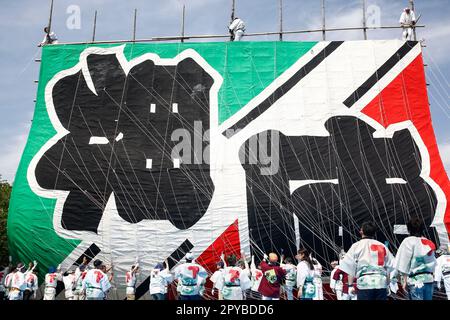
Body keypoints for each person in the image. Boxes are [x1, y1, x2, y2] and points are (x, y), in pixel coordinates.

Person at [339, 221, 395, 300]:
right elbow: (388, 267)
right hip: (381, 283)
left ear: (361, 231)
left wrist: (350, 285)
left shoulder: (356, 246)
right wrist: (388, 284)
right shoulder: (382, 246)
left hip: (365, 283)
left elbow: (350, 267)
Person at [395, 216, 436, 300]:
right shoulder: (429, 242)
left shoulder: (408, 241)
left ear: (409, 229)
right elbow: (433, 261)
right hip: (429, 279)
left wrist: (404, 280)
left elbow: (403, 261)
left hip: (415, 280)